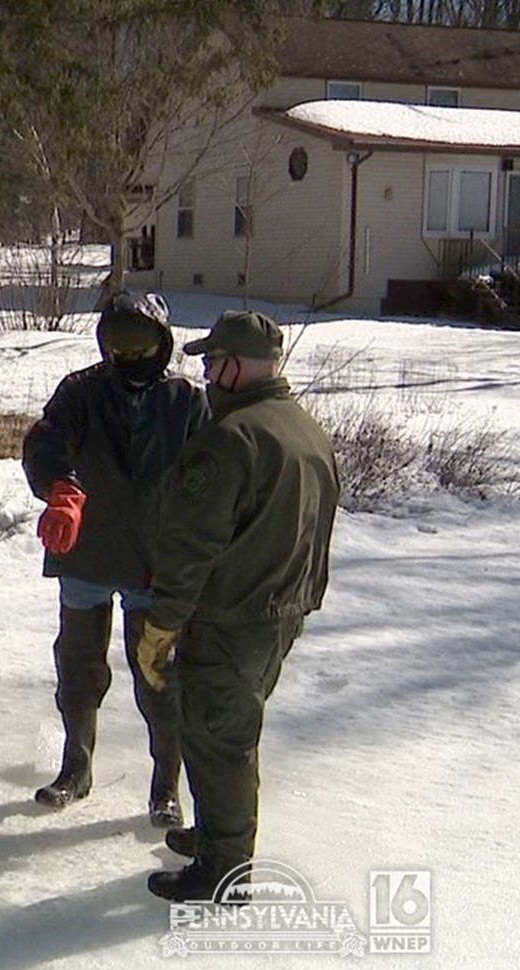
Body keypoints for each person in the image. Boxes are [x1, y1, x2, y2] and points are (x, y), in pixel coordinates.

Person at [134, 310, 339, 903]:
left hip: (231, 618)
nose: (204, 373)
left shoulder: (232, 440)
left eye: (211, 361)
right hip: (280, 614)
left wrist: (163, 623)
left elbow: (191, 546)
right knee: (219, 731)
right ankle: (218, 834)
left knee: (220, 737)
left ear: (236, 365)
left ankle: (224, 871)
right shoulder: (305, 429)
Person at [21, 291, 208, 828]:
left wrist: (200, 536)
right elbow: (46, 443)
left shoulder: (187, 402)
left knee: (158, 675)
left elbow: (212, 476)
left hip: (155, 560)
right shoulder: (80, 392)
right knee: (78, 666)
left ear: (163, 343)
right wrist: (61, 489)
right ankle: (75, 768)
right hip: (87, 554)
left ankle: (165, 786)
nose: (130, 356)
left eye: (141, 342)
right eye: (118, 343)